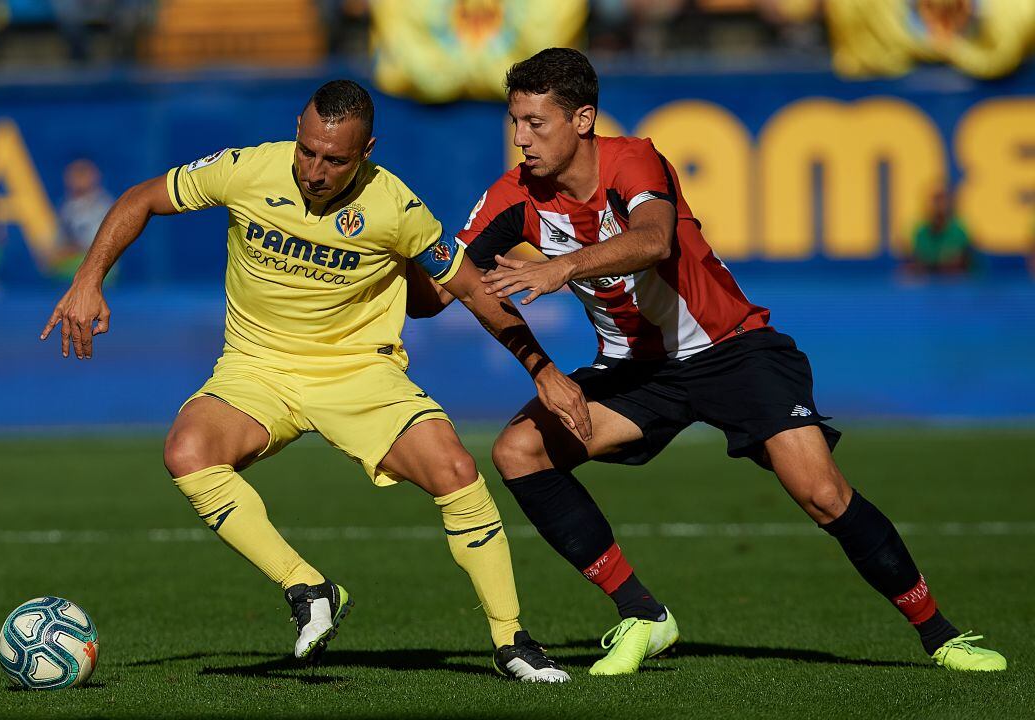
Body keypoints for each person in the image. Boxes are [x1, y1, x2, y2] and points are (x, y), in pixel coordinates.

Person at [408, 48, 1007, 675]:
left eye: (536, 123)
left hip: (732, 350)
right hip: (637, 371)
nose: (520, 139)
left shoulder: (633, 159)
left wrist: (561, 267)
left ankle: (942, 636)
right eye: (514, 121)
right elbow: (442, 293)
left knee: (822, 493)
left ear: (582, 119)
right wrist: (399, 250)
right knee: (518, 451)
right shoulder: (512, 196)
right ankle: (643, 613)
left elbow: (653, 240)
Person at [40, 80, 592, 682]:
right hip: (256, 366)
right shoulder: (247, 169)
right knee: (187, 453)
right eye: (307, 151)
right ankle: (308, 588)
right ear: (296, 132)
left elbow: (471, 289)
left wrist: (542, 369)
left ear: (366, 151)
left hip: (358, 371)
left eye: (335, 160)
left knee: (455, 470)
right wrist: (88, 278)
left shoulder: (395, 207)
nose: (314, 170)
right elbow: (141, 198)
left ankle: (512, 640)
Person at [52, 157, 114, 281]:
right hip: (70, 264)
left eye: (82, 173)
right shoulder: (66, 206)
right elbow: (60, 241)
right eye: (74, 174)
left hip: (98, 265)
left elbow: (101, 244)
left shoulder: (104, 205)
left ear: (95, 176)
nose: (78, 178)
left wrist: (72, 250)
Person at [907, 185, 974, 275]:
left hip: (953, 279)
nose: (939, 208)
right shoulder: (921, 232)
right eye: (936, 203)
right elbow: (917, 261)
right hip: (929, 278)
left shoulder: (959, 232)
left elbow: (965, 263)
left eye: (943, 204)